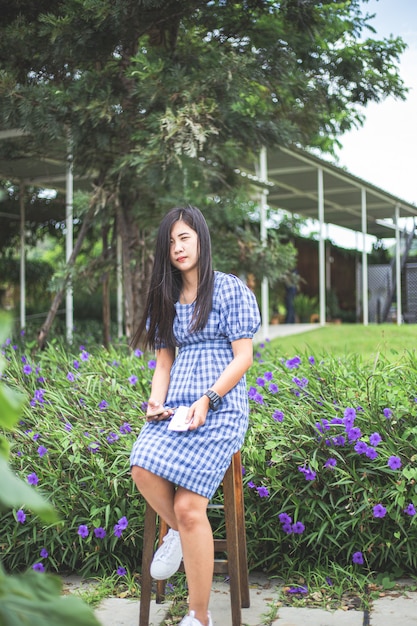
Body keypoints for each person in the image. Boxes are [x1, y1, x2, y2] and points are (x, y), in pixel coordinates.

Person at [130, 205, 261, 626]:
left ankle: (198, 616)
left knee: (190, 508)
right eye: (170, 242)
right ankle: (176, 536)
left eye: (184, 237)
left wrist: (208, 399)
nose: (178, 247)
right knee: (141, 466)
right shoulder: (166, 298)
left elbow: (244, 358)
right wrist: (155, 402)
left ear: (201, 238)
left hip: (221, 407)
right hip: (179, 407)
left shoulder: (228, 289)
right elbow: (164, 365)